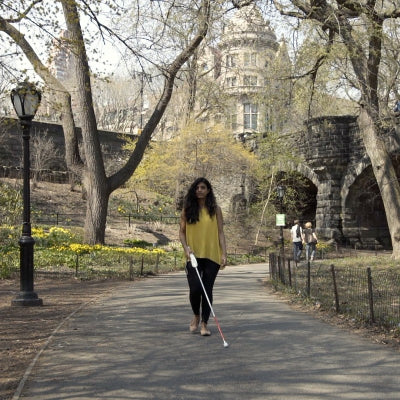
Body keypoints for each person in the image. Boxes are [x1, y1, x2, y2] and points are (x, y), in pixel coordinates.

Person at [179, 177, 227, 337]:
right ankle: (196, 315)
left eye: (203, 187)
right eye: (197, 188)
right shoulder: (187, 209)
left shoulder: (216, 209)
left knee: (207, 290)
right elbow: (182, 232)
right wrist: (186, 248)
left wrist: (224, 253)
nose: (199, 190)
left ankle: (205, 324)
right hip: (193, 255)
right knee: (195, 289)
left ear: (208, 191)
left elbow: (220, 232)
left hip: (212, 255)